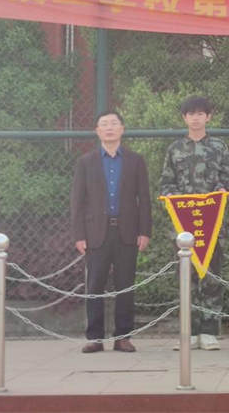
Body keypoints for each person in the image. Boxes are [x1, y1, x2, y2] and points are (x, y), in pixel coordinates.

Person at [71, 110, 152, 353]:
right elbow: (78, 201)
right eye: (104, 124)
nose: (109, 128)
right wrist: (79, 235)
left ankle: (123, 337)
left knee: (125, 285)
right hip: (96, 233)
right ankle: (95, 337)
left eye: (114, 123)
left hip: (127, 231)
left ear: (122, 129)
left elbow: (144, 199)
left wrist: (145, 231)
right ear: (97, 131)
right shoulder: (86, 162)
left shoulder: (136, 161)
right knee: (95, 284)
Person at [159, 96, 229, 351]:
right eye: (191, 114)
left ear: (208, 117)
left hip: (212, 225)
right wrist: (172, 196)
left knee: (211, 277)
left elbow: (227, 179)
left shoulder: (219, 147)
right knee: (186, 278)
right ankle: (188, 331)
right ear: (184, 118)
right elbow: (166, 183)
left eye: (201, 113)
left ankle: (210, 332)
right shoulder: (175, 149)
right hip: (184, 226)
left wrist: (221, 190)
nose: (196, 118)